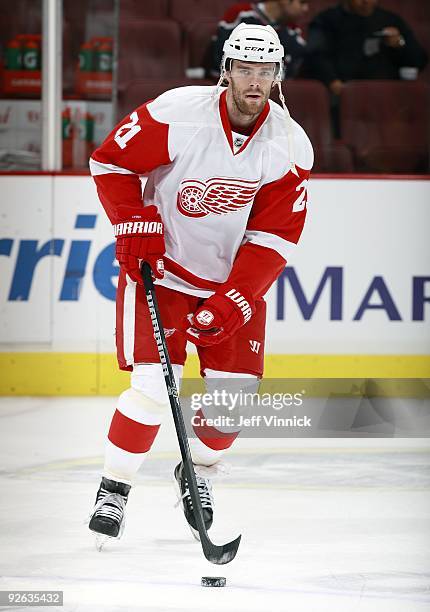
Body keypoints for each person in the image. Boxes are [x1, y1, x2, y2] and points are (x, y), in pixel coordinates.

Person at [88, 23, 313, 544]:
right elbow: (111, 161)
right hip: (161, 272)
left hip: (227, 281)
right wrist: (130, 218)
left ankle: (199, 476)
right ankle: (114, 489)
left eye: (265, 71)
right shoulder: (177, 113)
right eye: (246, 69)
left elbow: (275, 236)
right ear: (227, 70)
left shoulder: (290, 145)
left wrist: (235, 297)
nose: (254, 81)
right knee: (148, 390)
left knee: (231, 406)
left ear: (278, 76)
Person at [305, 0, 428, 97]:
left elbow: (419, 61)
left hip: (387, 94)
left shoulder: (391, 20)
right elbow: (315, 55)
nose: (366, 1)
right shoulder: (326, 19)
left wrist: (399, 43)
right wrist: (331, 80)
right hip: (344, 93)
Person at [209, 0, 310, 79]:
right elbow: (219, 54)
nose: (306, 8)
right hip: (227, 84)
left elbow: (293, 69)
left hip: (272, 92)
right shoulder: (241, 14)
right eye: (302, 2)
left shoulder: (293, 31)